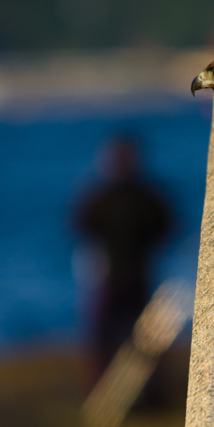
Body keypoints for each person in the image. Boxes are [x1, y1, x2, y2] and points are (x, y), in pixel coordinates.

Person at [74, 134, 170, 379]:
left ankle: (145, 390)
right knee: (121, 336)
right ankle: (112, 388)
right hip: (121, 275)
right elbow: (166, 229)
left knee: (136, 336)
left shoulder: (104, 197)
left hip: (127, 275)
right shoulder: (144, 197)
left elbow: (81, 227)